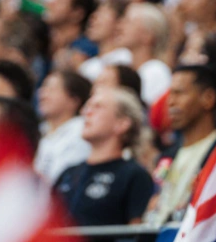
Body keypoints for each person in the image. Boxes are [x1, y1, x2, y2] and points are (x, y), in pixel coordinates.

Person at [52, 88, 154, 226]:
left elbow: (136, 235)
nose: (85, 112)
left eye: (97, 107)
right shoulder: (68, 172)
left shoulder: (134, 175)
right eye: (87, 106)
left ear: (122, 124)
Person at [145, 64, 216, 225]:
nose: (170, 102)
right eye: (170, 94)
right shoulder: (165, 156)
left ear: (208, 99)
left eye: (179, 93)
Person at [34, 69, 93, 185]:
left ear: (74, 100)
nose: (42, 94)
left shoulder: (81, 130)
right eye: (43, 88)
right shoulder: (39, 130)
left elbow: (65, 181)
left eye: (52, 89)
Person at [118, 2, 173, 105]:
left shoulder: (156, 72)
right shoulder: (121, 63)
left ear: (147, 36)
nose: (120, 25)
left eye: (129, 21)